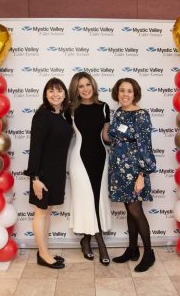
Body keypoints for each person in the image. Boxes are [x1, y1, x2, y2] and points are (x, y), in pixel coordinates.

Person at [108, 78, 156, 272]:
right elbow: (114, 137)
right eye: (121, 90)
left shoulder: (141, 115)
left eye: (129, 91)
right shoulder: (119, 113)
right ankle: (132, 249)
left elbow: (145, 146)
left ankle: (149, 253)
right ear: (117, 93)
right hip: (119, 170)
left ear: (135, 93)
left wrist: (142, 175)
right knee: (130, 211)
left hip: (135, 171)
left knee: (136, 211)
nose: (125, 94)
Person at [24, 78, 73, 269]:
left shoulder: (64, 115)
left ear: (65, 94)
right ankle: (43, 255)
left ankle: (44, 251)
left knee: (48, 212)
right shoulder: (42, 115)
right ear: (45, 94)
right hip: (42, 173)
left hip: (57, 172)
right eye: (51, 91)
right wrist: (35, 178)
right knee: (41, 212)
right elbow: (35, 147)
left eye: (59, 91)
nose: (55, 94)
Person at [69, 72, 112, 266]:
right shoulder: (70, 110)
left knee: (97, 198)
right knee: (86, 200)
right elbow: (62, 136)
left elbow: (106, 137)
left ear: (93, 86)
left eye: (88, 84)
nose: (85, 89)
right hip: (79, 160)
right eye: (81, 86)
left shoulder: (104, 107)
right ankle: (101, 243)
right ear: (75, 90)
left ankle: (86, 240)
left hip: (101, 159)